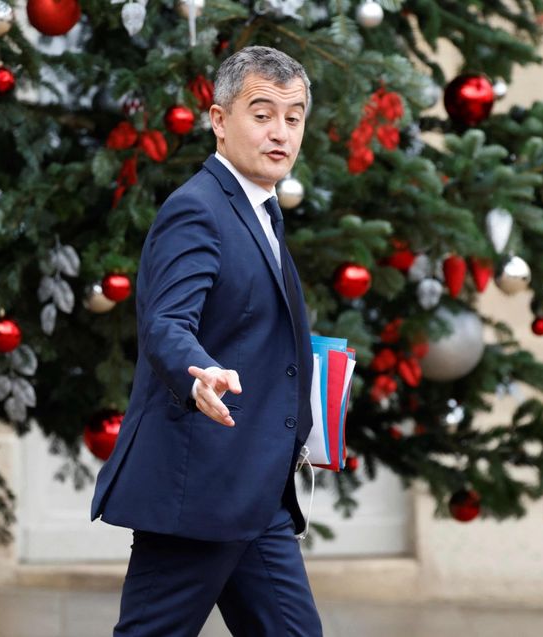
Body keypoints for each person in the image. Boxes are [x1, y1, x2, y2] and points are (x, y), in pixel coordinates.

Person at [91, 46, 322, 636]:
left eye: (293, 118)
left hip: (259, 491)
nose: (280, 132)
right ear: (219, 121)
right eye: (262, 113)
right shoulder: (196, 209)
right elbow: (167, 323)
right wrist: (200, 372)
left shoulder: (263, 212)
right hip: (200, 493)